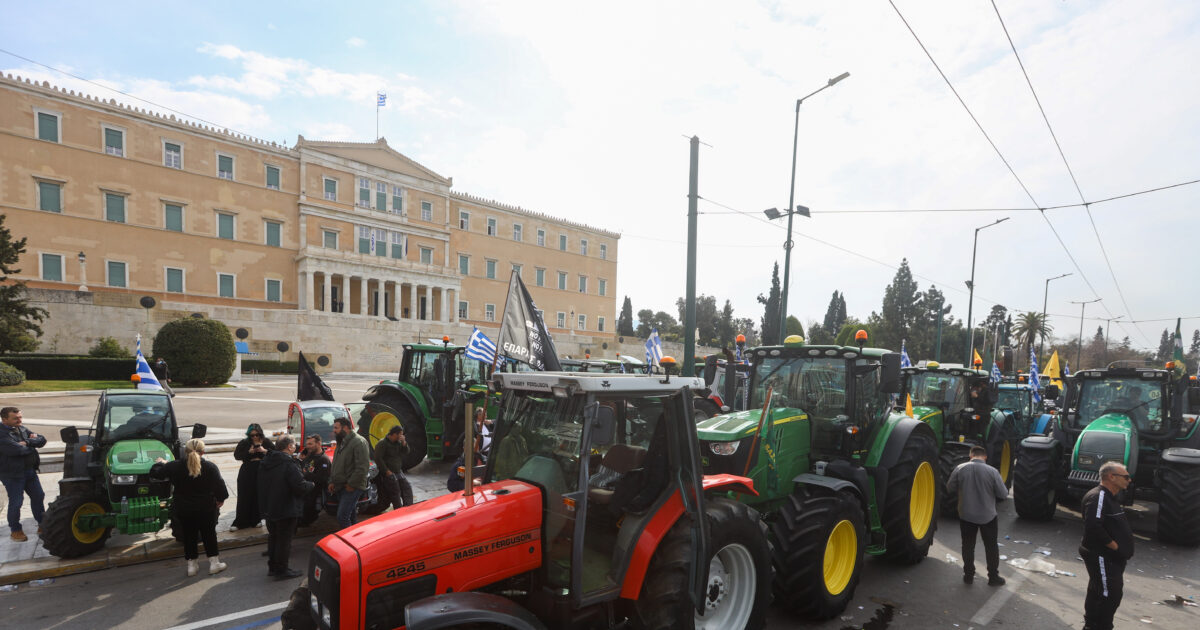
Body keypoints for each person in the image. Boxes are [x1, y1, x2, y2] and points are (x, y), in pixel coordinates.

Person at [150, 439, 228, 576]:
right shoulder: (210, 467)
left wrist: (160, 463)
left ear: (185, 452)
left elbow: (156, 473)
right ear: (203, 452)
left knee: (189, 535)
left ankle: (192, 566)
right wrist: (220, 499)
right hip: (206, 507)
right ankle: (214, 563)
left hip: (184, 508)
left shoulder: (174, 466)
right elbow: (220, 486)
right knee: (209, 534)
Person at [1079, 461, 1134, 630]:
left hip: (1112, 558)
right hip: (1102, 555)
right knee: (1109, 594)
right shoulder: (1099, 496)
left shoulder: (1110, 497)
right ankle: (1100, 626)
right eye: (1126, 477)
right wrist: (1115, 547)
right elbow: (1094, 526)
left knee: (1099, 590)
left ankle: (1093, 624)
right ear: (1112, 477)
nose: (1129, 480)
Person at [946, 445, 1009, 586]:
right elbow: (1003, 494)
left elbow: (949, 488)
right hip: (988, 516)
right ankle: (993, 577)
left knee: (968, 545)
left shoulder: (960, 468)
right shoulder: (992, 471)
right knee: (991, 546)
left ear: (970, 456)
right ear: (985, 457)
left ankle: (968, 575)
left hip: (966, 515)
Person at [257, 434, 313, 579]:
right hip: (286, 508)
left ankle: (273, 567)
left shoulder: (267, 461)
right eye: (294, 444)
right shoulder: (288, 464)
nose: (295, 447)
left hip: (270, 507)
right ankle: (281, 570)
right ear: (289, 447)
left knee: (274, 538)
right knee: (284, 541)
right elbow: (299, 486)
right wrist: (311, 485)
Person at [0, 407, 46, 541]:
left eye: (20, 417)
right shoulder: (2, 434)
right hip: (12, 475)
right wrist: (31, 444)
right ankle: (15, 530)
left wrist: (27, 442)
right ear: (4, 419)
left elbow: (42, 440)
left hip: (29, 471)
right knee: (17, 502)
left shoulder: (22, 428)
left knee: (38, 496)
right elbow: (18, 451)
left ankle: (42, 524)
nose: (19, 420)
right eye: (15, 418)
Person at [328, 417, 369, 529]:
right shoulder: (341, 441)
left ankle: (348, 543)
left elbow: (362, 467)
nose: (334, 430)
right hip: (341, 486)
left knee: (342, 516)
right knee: (350, 516)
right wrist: (332, 481)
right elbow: (336, 463)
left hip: (352, 487)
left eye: (336, 428)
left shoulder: (358, 442)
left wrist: (351, 485)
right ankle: (357, 541)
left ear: (345, 428)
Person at [232, 424, 273, 530]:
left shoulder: (266, 442)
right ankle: (240, 521)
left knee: (257, 494)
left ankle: (256, 519)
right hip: (247, 471)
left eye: (256, 435)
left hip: (261, 471)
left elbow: (276, 453)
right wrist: (249, 452)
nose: (254, 437)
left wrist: (264, 451)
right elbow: (237, 455)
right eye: (252, 435)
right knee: (244, 495)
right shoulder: (244, 443)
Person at [374, 426, 413, 510]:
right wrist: (386, 471)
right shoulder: (382, 443)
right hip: (389, 472)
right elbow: (378, 458)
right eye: (400, 434)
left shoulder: (398, 442)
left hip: (398, 471)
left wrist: (404, 442)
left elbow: (406, 451)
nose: (401, 436)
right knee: (395, 492)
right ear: (395, 434)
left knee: (407, 489)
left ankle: (408, 509)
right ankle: (398, 511)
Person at [298, 434, 330, 525]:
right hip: (304, 486)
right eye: (307, 444)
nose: (307, 446)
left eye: (310, 444)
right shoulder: (309, 455)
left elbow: (322, 479)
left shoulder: (323, 460)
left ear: (319, 443)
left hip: (313, 492)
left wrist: (306, 474)